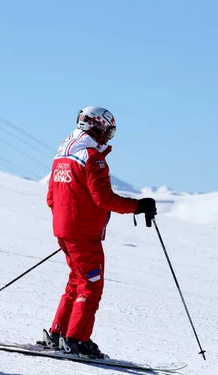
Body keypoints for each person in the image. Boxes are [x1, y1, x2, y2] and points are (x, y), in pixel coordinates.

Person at [43, 106, 157, 359]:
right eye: (107, 131)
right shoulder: (92, 157)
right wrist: (138, 206)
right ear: (96, 127)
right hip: (82, 233)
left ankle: (59, 333)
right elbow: (104, 199)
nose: (107, 137)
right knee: (90, 286)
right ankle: (76, 340)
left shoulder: (62, 154)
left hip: (67, 230)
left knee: (76, 282)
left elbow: (51, 197)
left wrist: (67, 225)